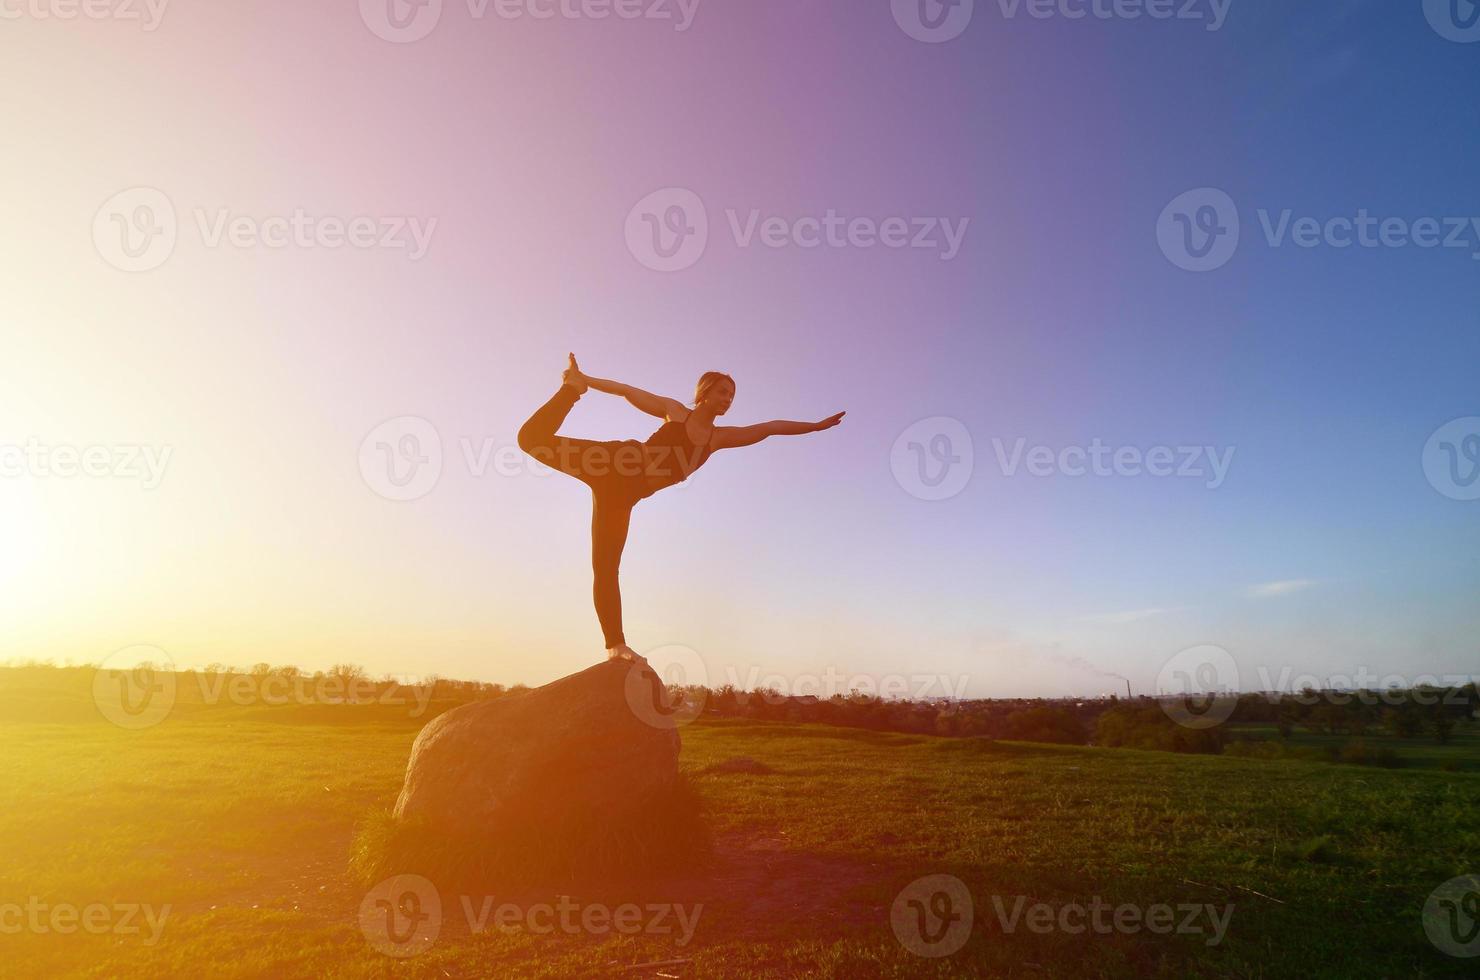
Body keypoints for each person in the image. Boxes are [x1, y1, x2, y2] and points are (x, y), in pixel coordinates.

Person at [517, 354, 845, 664]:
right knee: (531, 439)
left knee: (606, 568)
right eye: (722, 391)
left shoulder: (718, 438)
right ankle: (571, 389)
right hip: (613, 463)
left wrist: (814, 427)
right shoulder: (675, 411)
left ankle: (615, 645)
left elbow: (770, 427)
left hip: (622, 497)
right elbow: (627, 391)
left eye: (732, 395)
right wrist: (584, 379)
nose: (728, 398)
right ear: (704, 392)